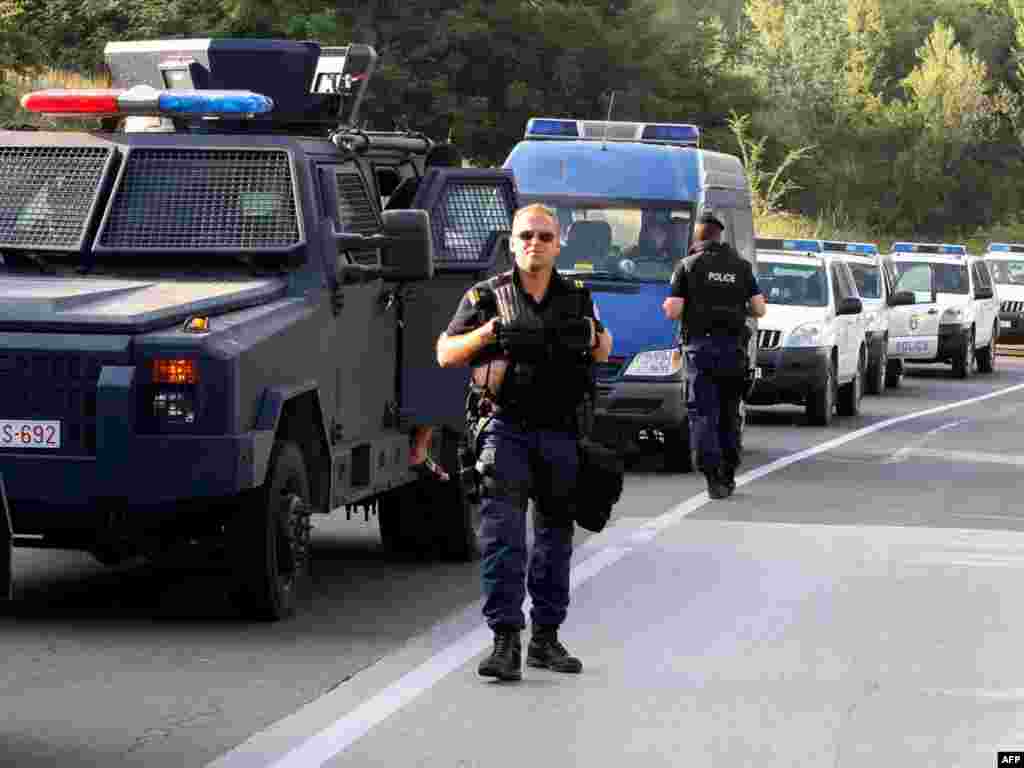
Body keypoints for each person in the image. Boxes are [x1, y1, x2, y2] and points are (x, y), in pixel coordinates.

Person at [436, 203, 613, 682]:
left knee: (555, 540)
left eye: (544, 237)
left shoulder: (577, 295)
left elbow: (604, 346)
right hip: (505, 427)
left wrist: (593, 336)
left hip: (560, 430)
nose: (535, 243)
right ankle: (504, 641)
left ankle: (546, 639)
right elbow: (445, 352)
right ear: (512, 243)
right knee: (504, 538)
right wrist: (488, 333)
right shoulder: (486, 295)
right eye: (526, 236)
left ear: (558, 245)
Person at [662, 211, 766, 499]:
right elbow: (759, 309)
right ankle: (729, 471)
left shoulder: (688, 265)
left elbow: (673, 310)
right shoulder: (742, 267)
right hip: (734, 351)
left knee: (704, 414)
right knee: (729, 413)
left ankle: (713, 476)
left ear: (698, 235)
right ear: (720, 235)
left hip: (701, 352)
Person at [389, 142, 463, 480]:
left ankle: (419, 442)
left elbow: (385, 224)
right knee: (441, 364)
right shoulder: (454, 191)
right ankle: (420, 445)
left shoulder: (410, 188)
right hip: (432, 285)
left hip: (397, 282)